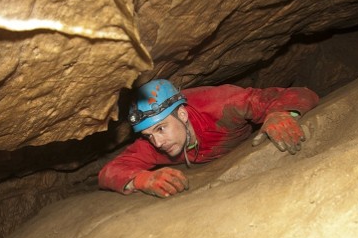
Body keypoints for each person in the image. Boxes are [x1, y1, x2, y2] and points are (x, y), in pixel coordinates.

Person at [98, 79, 319, 198]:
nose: (157, 143)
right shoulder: (154, 144)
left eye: (161, 129)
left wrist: (280, 113)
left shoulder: (219, 104)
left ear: (182, 114)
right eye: (149, 135)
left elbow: (299, 92)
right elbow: (110, 171)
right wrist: (142, 179)